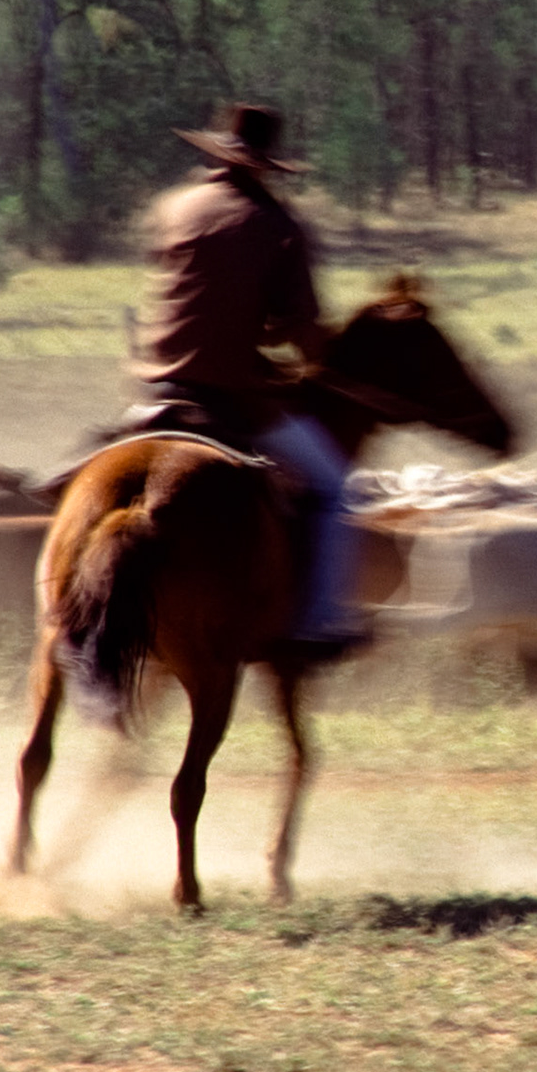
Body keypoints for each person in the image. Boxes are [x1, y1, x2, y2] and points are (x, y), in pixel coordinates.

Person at [136, 103, 362, 660]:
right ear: (266, 165)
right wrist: (312, 362)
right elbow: (302, 329)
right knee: (333, 486)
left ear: (218, 153)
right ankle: (320, 618)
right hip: (230, 395)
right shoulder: (278, 226)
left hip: (158, 388)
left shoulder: (174, 208)